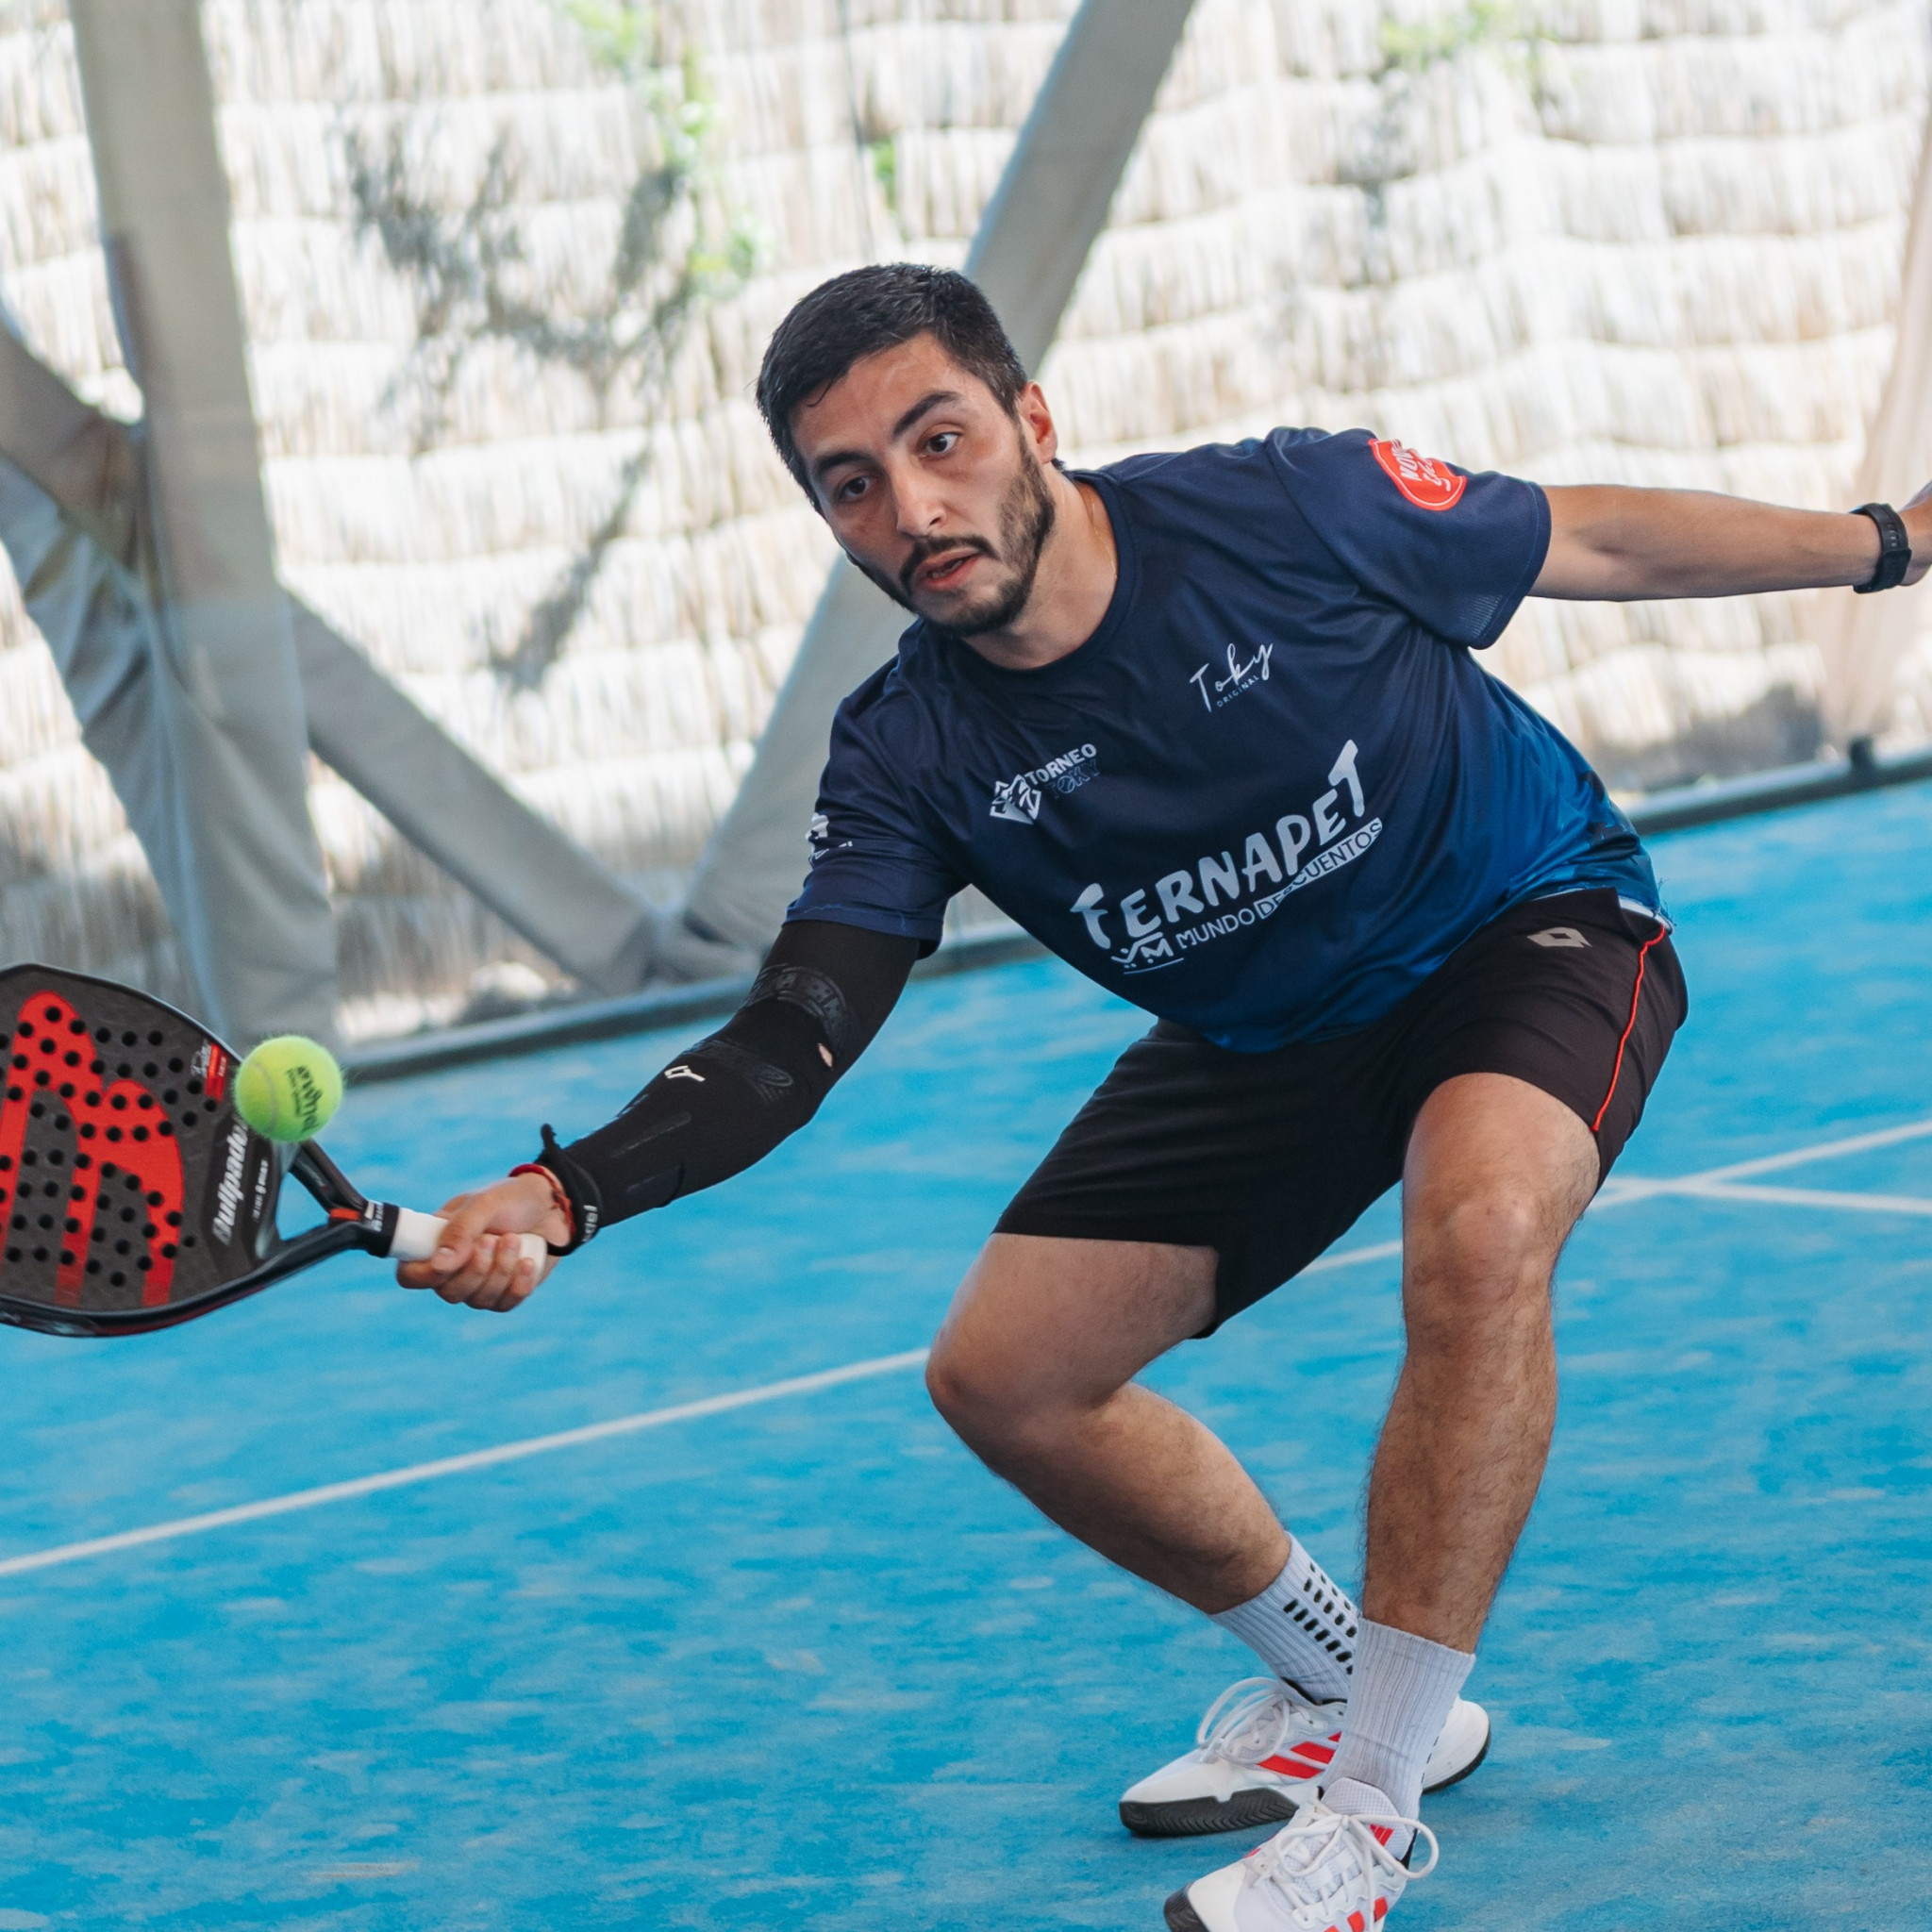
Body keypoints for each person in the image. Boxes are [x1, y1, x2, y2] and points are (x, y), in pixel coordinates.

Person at [398, 264, 1928, 1930]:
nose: (913, 509)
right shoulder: (908, 750)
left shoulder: (1289, 509)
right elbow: (795, 1032)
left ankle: (1371, 1810)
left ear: (1032, 419)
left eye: (939, 441)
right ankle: (1341, 1681)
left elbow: (1594, 541)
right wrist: (566, 1191)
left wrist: (1890, 542)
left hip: (1516, 923)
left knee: (1482, 1231)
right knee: (1005, 1377)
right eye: (852, 484)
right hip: (1265, 1033)